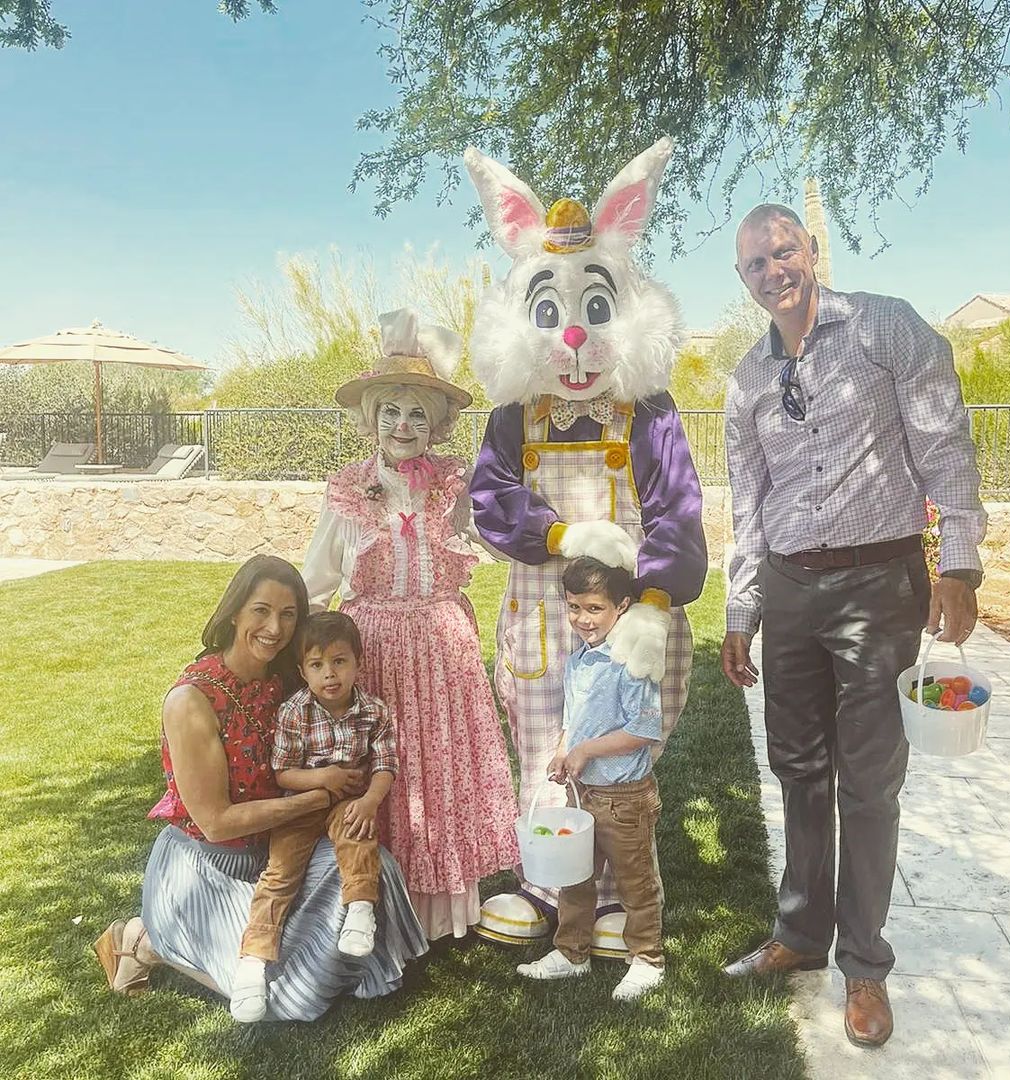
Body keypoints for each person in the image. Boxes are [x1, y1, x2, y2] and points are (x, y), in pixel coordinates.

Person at [720, 204, 986, 1047]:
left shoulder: (885, 328)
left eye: (783, 252)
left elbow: (947, 446)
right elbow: (749, 505)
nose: (773, 271)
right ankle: (800, 937)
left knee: (868, 781)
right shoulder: (746, 380)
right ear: (744, 280)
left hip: (881, 583)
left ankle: (865, 967)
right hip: (793, 591)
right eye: (755, 265)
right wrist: (742, 608)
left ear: (810, 251)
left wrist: (961, 563)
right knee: (798, 768)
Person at [463, 137, 707, 954]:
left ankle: (614, 894)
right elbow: (490, 499)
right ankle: (545, 884)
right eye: (551, 313)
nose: (572, 337)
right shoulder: (513, 414)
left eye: (594, 311)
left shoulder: (647, 410)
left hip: (632, 616)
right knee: (545, 749)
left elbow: (677, 507)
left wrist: (656, 604)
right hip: (541, 614)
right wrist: (562, 533)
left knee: (620, 756)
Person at [93, 555, 426, 1021]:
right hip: (209, 862)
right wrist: (318, 796)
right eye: (261, 610)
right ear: (234, 611)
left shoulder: (288, 680)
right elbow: (215, 821)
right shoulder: (191, 701)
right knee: (288, 997)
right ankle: (146, 941)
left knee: (376, 869)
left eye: (288, 614)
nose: (275, 627)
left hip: (277, 844)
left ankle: (178, 944)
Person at [302, 308, 519, 941]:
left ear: (437, 423)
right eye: (391, 411)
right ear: (371, 418)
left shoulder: (456, 485)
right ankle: (376, 905)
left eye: (417, 413)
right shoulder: (348, 490)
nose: (403, 425)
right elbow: (317, 579)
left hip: (442, 650)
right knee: (382, 776)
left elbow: (502, 539)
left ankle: (444, 909)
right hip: (372, 654)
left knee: (440, 770)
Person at [230, 611, 398, 1023]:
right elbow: (282, 771)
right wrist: (321, 778)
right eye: (317, 665)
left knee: (358, 835)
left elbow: (386, 763)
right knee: (280, 874)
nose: (330, 675)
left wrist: (371, 802)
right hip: (301, 804)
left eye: (339, 661)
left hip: (348, 803)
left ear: (359, 662)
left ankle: (360, 909)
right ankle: (253, 962)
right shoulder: (294, 713)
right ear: (303, 671)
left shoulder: (373, 711)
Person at [516, 557, 666, 1002]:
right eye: (574, 607)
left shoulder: (631, 663)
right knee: (576, 877)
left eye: (594, 608)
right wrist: (564, 750)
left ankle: (647, 959)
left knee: (635, 881)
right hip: (583, 794)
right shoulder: (579, 659)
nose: (583, 618)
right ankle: (571, 952)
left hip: (625, 798)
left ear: (621, 607)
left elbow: (642, 730)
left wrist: (586, 751)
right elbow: (574, 717)